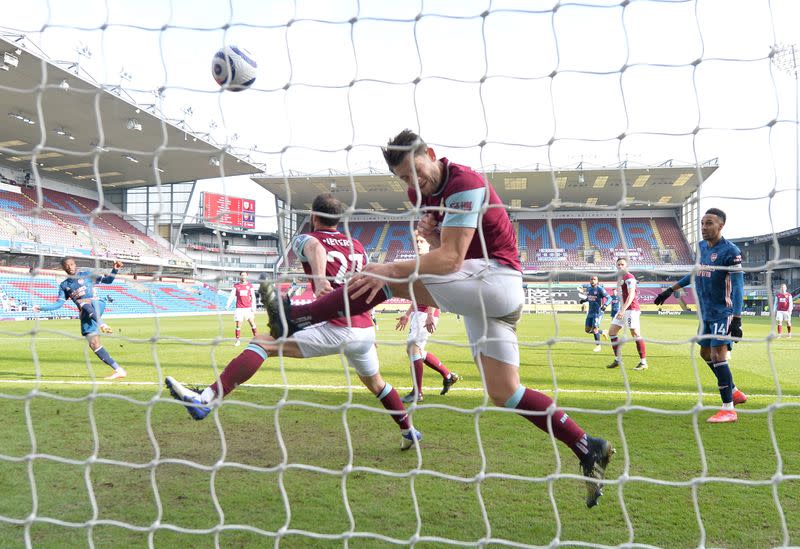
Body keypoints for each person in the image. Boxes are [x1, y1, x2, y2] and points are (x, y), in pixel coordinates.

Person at [262, 129, 614, 508]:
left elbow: (450, 260)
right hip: (482, 292)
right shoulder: (421, 194)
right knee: (505, 392)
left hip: (498, 282)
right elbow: (441, 251)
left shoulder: (465, 181)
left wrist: (391, 266)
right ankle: (586, 445)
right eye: (403, 179)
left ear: (430, 153)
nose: (413, 183)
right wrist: (430, 237)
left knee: (385, 277)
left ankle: (296, 317)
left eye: (416, 171)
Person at [165, 194, 422, 450]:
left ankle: (206, 400)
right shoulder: (357, 245)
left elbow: (315, 247)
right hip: (364, 329)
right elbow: (365, 284)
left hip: (336, 327)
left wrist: (320, 279)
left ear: (313, 216)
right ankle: (409, 430)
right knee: (376, 383)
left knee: (262, 344)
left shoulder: (304, 238)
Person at [654, 208, 748, 423]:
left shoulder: (730, 252)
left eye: (709, 223)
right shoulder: (702, 247)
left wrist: (737, 318)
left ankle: (728, 409)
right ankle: (734, 391)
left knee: (718, 356)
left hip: (722, 312)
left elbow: (738, 286)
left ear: (721, 226)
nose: (704, 227)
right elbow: (696, 272)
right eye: (703, 223)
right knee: (705, 355)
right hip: (705, 313)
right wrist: (671, 289)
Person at [33, 258, 127, 380]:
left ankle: (102, 324)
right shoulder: (64, 285)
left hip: (97, 303)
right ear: (63, 268)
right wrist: (42, 307)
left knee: (81, 301)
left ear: (75, 264)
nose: (70, 267)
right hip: (86, 313)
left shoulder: (87, 274)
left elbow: (108, 280)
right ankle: (119, 370)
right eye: (66, 266)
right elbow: (58, 304)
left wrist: (115, 269)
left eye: (71, 264)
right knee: (94, 344)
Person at [395, 231, 460, 403]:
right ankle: (448, 375)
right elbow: (418, 293)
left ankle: (418, 392)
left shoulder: (431, 262)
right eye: (416, 241)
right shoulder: (417, 265)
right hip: (419, 312)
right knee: (416, 350)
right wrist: (407, 314)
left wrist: (431, 313)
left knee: (413, 348)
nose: (418, 244)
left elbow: (435, 291)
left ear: (428, 243)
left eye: (421, 241)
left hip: (426, 313)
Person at [607, 257, 648, 371]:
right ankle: (617, 359)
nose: (620, 266)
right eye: (618, 264)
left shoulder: (629, 278)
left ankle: (643, 362)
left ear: (627, 266)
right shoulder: (621, 278)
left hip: (631, 309)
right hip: (624, 309)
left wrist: (622, 310)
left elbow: (631, 296)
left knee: (635, 333)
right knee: (612, 332)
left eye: (622, 264)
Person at [226, 271, 258, 346]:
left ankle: (257, 340)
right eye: (242, 275)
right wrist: (228, 304)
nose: (243, 277)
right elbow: (232, 296)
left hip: (248, 308)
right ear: (240, 276)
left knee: (252, 323)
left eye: (244, 275)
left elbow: (253, 297)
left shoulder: (250, 286)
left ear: (246, 276)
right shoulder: (236, 286)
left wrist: (254, 308)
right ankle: (238, 341)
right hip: (239, 308)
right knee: (238, 325)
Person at [580, 276, 609, 353]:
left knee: (595, 329)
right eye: (591, 279)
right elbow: (589, 298)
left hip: (598, 312)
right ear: (589, 281)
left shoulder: (600, 289)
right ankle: (603, 332)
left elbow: (609, 298)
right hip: (590, 312)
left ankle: (598, 346)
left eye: (594, 279)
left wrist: (605, 305)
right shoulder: (589, 289)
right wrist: (584, 300)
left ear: (597, 281)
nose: (593, 281)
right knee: (587, 330)